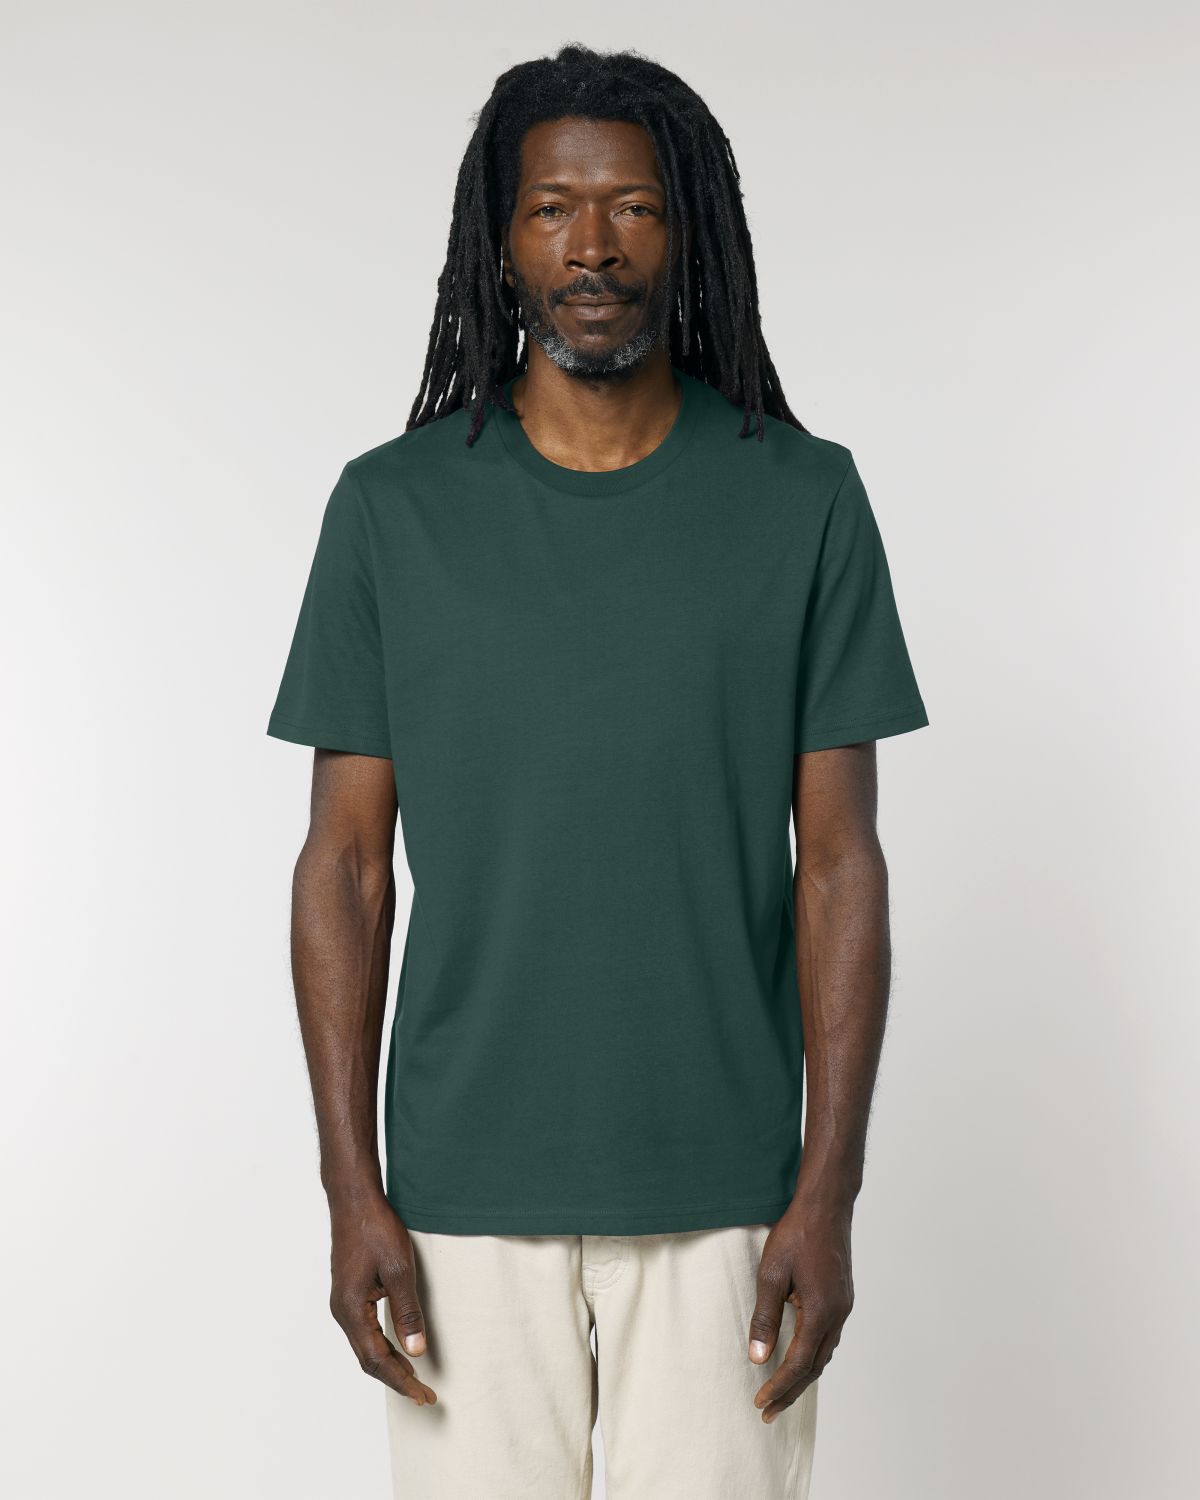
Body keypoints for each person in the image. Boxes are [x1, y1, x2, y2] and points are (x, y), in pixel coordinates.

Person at [266, 43, 929, 1500]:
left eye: (632, 207)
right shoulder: (390, 509)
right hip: (459, 1199)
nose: (593, 247)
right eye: (553, 209)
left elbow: (843, 864)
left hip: (730, 1200)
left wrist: (828, 1191)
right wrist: (350, 1188)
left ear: (687, 231)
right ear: (499, 242)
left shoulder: (803, 498)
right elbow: (346, 867)